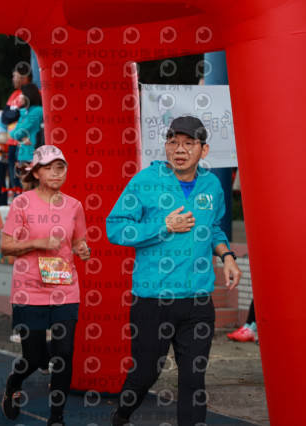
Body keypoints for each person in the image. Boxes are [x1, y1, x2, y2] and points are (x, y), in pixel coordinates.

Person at [106, 116, 242, 426]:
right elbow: (115, 228)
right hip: (153, 299)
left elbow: (214, 229)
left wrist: (227, 256)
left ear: (203, 150)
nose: (179, 150)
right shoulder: (145, 181)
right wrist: (164, 225)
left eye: (188, 143)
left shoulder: (212, 185)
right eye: (173, 142)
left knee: (193, 379)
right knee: (145, 373)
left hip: (197, 300)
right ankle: (122, 415)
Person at [0, 145, 90, 426]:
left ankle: (56, 418)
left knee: (64, 353)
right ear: (37, 173)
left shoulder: (74, 205)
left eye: (60, 167)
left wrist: (82, 249)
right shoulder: (21, 203)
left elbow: (78, 241)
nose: (55, 173)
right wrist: (37, 242)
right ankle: (15, 382)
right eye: (49, 168)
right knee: (33, 357)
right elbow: (6, 246)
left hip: (65, 287)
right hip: (29, 288)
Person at [10, 83, 43, 190]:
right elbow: (13, 133)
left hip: (32, 155)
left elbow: (17, 132)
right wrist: (22, 137)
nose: (20, 98)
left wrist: (20, 135)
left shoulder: (37, 111)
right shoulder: (25, 111)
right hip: (23, 155)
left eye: (22, 95)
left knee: (33, 188)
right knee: (25, 188)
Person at [4, 63, 32, 192]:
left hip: (23, 143)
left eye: (15, 76)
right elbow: (5, 117)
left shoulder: (31, 93)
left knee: (24, 178)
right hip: (11, 141)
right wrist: (15, 112)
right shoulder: (14, 94)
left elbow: (19, 114)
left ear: (25, 77)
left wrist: (14, 113)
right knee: (14, 177)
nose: (13, 79)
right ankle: (17, 200)